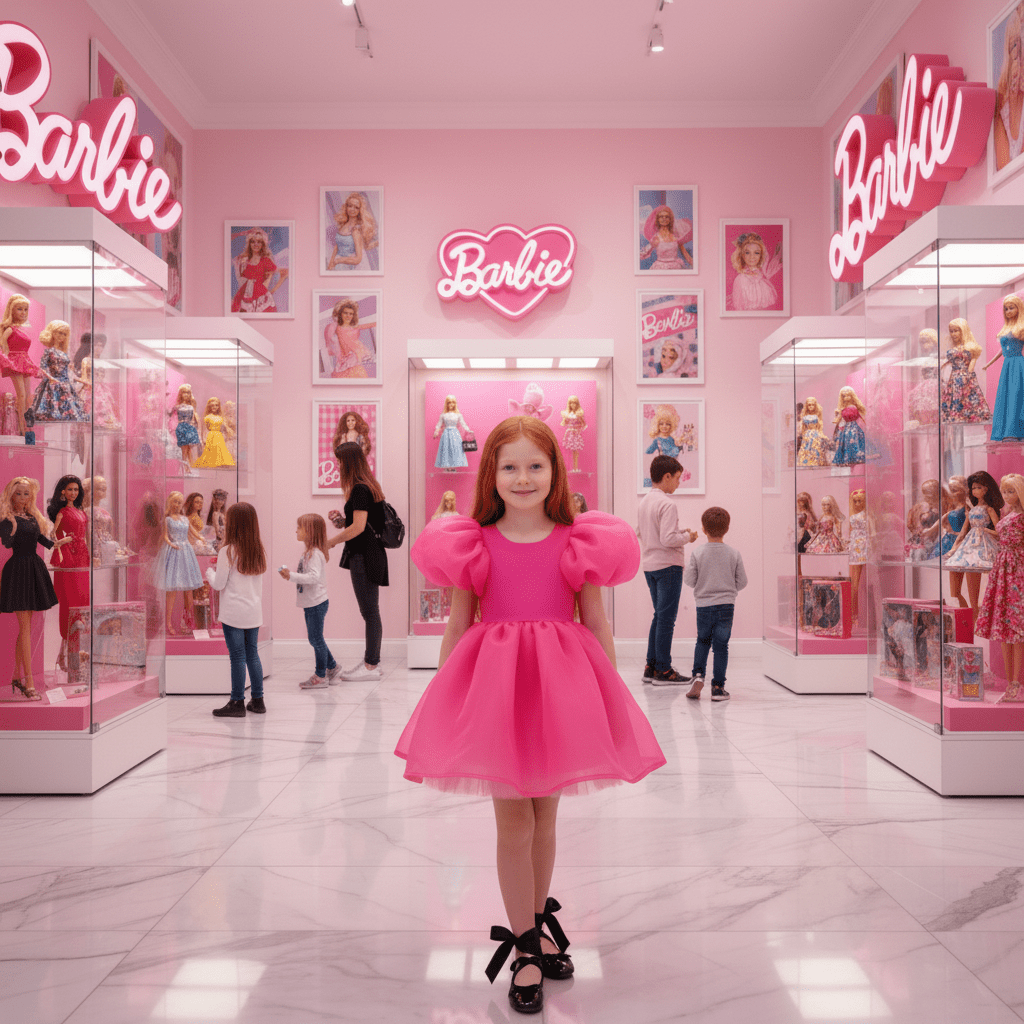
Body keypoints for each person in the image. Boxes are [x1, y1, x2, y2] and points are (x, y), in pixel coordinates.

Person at [394, 415, 664, 1014]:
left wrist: (608, 693)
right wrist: (447, 695)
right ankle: (523, 948)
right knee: (513, 823)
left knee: (546, 820)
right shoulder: (474, 543)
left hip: (561, 690)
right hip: (496, 695)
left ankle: (537, 926)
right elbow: (458, 625)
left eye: (534, 466)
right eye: (509, 467)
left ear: (554, 472)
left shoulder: (577, 539)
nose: (522, 478)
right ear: (491, 474)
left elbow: (595, 621)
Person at [327, 444, 388, 681]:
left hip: (364, 555)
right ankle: (371, 663)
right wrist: (342, 522)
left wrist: (331, 542)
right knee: (370, 611)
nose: (338, 466)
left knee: (370, 612)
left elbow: (359, 528)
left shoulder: (361, 490)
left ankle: (371, 666)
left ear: (349, 463)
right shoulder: (365, 487)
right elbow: (358, 525)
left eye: (340, 462)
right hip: (367, 553)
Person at [638, 454, 697, 684]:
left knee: (659, 616)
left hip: (649, 565)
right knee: (666, 619)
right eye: (677, 478)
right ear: (667, 476)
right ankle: (663, 669)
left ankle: (651, 665)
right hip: (668, 566)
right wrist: (688, 536)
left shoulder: (644, 502)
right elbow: (669, 538)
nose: (679, 483)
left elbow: (640, 532)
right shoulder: (667, 503)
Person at [208, 502, 267, 717]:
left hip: (233, 613)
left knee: (237, 657)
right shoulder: (258, 550)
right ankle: (258, 700)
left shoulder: (228, 551)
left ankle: (236, 702)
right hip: (253, 612)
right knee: (252, 654)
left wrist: (209, 573)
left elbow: (219, 584)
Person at [684, 506, 748, 701]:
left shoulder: (697, 553)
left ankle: (698, 675)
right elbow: (742, 581)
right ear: (727, 529)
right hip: (727, 605)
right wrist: (730, 590)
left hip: (703, 605)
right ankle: (718, 688)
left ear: (703, 529)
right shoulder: (734, 553)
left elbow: (689, 580)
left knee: (702, 641)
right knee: (721, 646)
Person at [280, 513, 339, 689]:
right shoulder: (309, 553)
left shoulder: (315, 554)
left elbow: (313, 577)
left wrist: (290, 575)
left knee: (316, 639)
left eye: (300, 527)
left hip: (316, 603)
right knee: (315, 639)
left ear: (310, 532)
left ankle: (321, 675)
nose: (296, 530)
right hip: (312, 603)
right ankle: (333, 667)